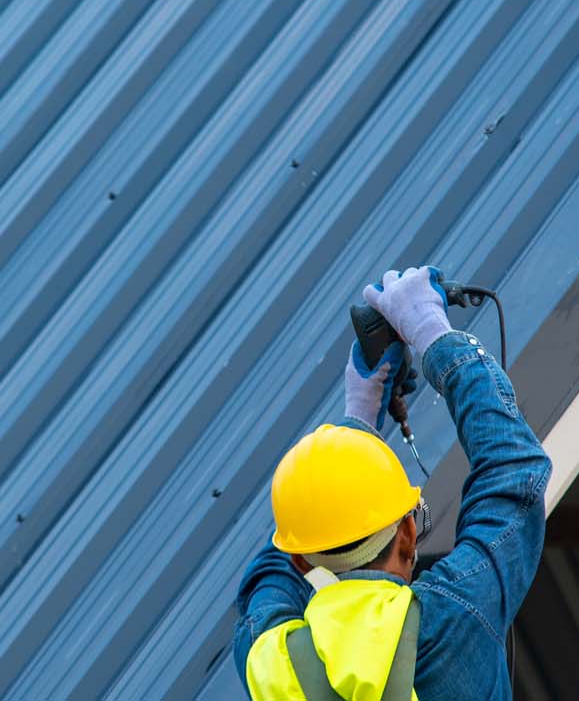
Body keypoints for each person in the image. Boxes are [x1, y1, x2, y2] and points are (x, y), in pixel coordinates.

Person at [233, 266, 551, 700]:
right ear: (406, 535)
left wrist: (356, 426)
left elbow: (270, 578)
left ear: (301, 564)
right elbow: (517, 475)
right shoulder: (451, 623)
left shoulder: (271, 662)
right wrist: (434, 335)